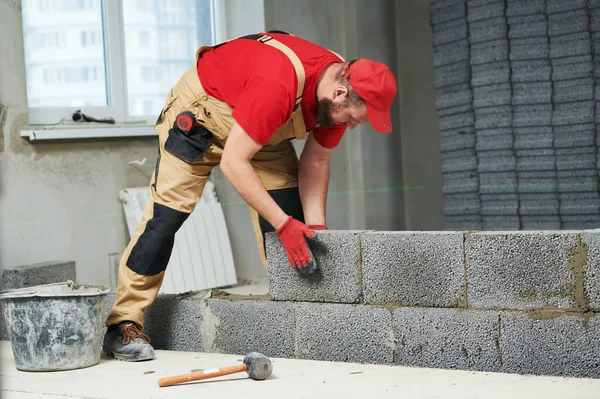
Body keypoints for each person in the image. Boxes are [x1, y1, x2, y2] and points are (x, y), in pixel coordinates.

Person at [102, 30, 397, 362]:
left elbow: (316, 160)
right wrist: (284, 225)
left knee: (292, 223)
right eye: (354, 119)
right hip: (203, 117)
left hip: (260, 129)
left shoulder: (336, 95)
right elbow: (233, 162)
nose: (353, 126)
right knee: (165, 219)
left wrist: (316, 227)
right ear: (340, 92)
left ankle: (296, 316)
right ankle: (123, 323)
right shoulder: (280, 84)